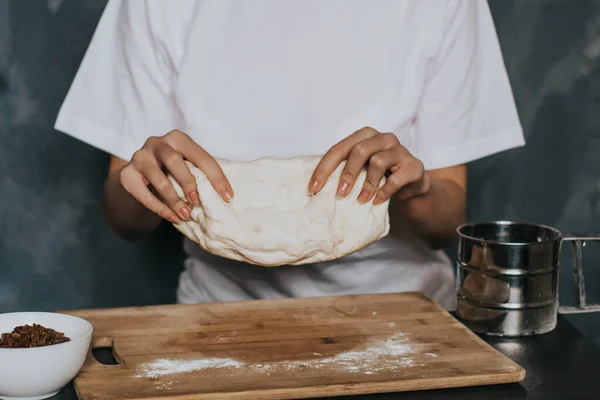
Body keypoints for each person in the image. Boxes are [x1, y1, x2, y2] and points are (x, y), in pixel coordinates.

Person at [54, 0, 525, 310]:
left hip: (401, 315)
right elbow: (124, 219)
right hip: (219, 317)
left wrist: (418, 186)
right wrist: (144, 180)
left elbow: (447, 224)